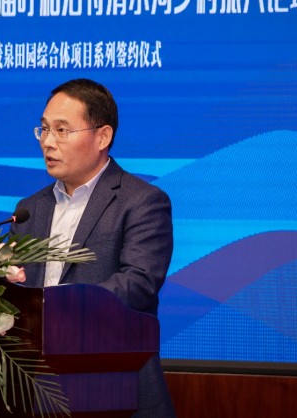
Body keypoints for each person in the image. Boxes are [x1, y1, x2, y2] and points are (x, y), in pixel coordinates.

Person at [10, 78, 176, 417]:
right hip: (36, 393)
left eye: (62, 130)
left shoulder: (142, 202)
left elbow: (138, 284)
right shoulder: (29, 209)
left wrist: (51, 306)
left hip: (117, 390)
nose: (48, 142)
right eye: (44, 129)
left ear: (102, 136)